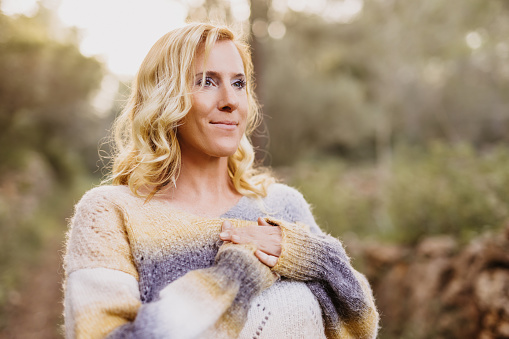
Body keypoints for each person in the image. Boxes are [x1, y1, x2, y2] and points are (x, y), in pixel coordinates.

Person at [63, 22, 379, 339]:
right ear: (166, 98)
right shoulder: (110, 214)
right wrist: (235, 274)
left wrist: (307, 254)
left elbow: (360, 324)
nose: (230, 100)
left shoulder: (283, 206)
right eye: (207, 82)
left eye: (239, 83)